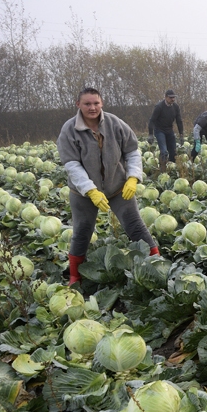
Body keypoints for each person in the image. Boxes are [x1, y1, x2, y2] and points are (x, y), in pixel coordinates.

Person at [57, 87, 159, 285]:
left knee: (135, 226)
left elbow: (132, 151)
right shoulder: (69, 130)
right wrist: (90, 190)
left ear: (102, 103)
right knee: (82, 231)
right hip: (83, 193)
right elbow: (71, 164)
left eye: (96, 103)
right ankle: (75, 276)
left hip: (118, 187)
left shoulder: (115, 124)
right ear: (78, 105)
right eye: (87, 104)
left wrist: (133, 177)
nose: (92, 107)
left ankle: (158, 263)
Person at [147, 89, 184, 171]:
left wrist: (181, 134)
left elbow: (179, 121)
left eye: (174, 97)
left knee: (173, 152)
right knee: (164, 151)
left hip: (169, 130)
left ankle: (171, 169)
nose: (173, 99)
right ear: (166, 97)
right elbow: (152, 120)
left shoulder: (175, 107)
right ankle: (163, 169)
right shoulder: (159, 107)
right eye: (171, 98)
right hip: (159, 130)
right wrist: (150, 134)